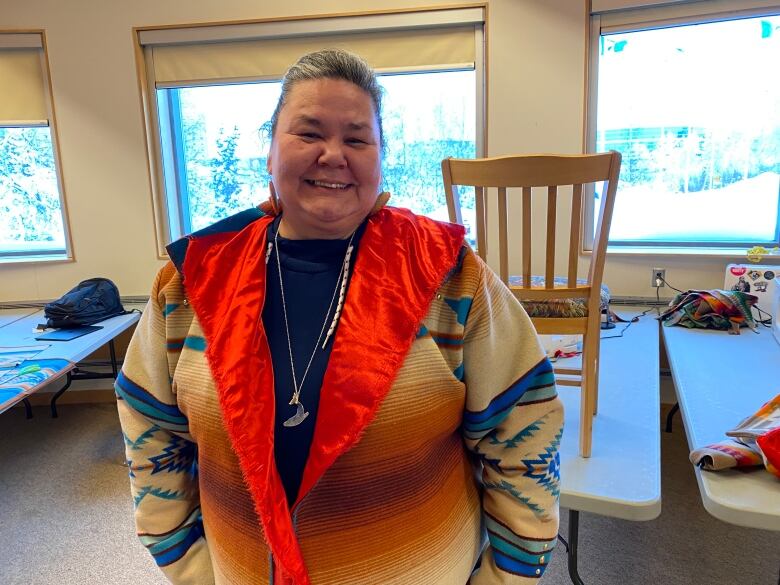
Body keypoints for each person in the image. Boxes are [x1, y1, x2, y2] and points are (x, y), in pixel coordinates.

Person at [116, 48, 562, 585]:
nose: (334, 155)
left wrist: (506, 577)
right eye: (308, 133)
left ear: (379, 158)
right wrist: (189, 566)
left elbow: (525, 433)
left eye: (356, 138)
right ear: (270, 153)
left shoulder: (450, 276)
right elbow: (150, 431)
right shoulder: (191, 279)